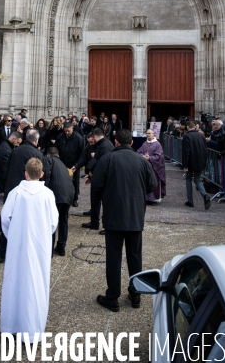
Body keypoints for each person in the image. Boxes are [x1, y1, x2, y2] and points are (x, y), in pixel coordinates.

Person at [91, 129, 157, 312]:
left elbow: (96, 184)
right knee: (135, 256)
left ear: (116, 142)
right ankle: (135, 294)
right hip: (135, 214)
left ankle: (113, 296)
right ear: (132, 143)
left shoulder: (108, 159)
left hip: (114, 214)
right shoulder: (141, 161)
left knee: (114, 257)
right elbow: (152, 185)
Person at [0, 157, 58, 343]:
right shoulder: (48, 194)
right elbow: (52, 222)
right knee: (36, 283)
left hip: (18, 244)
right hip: (40, 245)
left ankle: (12, 327)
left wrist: (15, 235)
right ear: (41, 174)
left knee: (15, 282)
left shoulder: (16, 193)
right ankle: (33, 328)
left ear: (26, 173)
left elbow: (5, 219)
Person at [0, 129, 45, 262]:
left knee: (8, 220)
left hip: (12, 189)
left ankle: (2, 252)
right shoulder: (36, 153)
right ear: (36, 140)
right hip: (27, 191)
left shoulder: (15, 150)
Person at [79, 128, 114, 231]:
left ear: (94, 137)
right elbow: (94, 159)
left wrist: (91, 170)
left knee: (105, 202)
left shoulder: (105, 146)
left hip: (103, 178)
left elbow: (102, 163)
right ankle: (94, 222)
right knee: (95, 200)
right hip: (97, 177)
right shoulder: (102, 144)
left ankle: (107, 226)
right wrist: (89, 170)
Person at [46, 146, 74, 255]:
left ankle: (50, 249)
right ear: (58, 154)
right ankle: (61, 247)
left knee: (52, 221)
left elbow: (47, 175)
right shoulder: (62, 164)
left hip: (56, 194)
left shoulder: (49, 160)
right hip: (68, 194)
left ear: (48, 155)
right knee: (63, 221)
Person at [0, 131, 22, 232]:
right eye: (17, 143)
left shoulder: (6, 147)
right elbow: (5, 167)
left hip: (3, 178)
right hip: (4, 179)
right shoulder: (5, 149)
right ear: (13, 139)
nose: (18, 145)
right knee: (8, 204)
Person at [182, 120, 211, 210]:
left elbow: (186, 152)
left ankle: (190, 201)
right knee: (197, 179)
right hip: (200, 161)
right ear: (195, 126)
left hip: (191, 162)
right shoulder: (202, 136)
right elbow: (205, 149)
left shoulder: (187, 137)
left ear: (187, 127)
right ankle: (204, 194)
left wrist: (185, 165)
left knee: (188, 179)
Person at [56, 122, 84, 207]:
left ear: (72, 128)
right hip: (62, 163)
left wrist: (79, 164)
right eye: (66, 131)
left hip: (74, 164)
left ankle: (75, 199)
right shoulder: (61, 137)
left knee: (75, 182)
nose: (67, 133)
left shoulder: (78, 138)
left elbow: (82, 152)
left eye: (68, 131)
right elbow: (56, 148)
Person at [137, 129, 166, 204]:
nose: (148, 135)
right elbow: (139, 152)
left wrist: (150, 158)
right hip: (145, 167)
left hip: (154, 168)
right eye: (147, 133)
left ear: (153, 134)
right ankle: (146, 198)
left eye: (149, 133)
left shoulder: (157, 144)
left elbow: (159, 156)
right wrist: (143, 156)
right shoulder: (144, 143)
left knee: (153, 181)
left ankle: (153, 198)